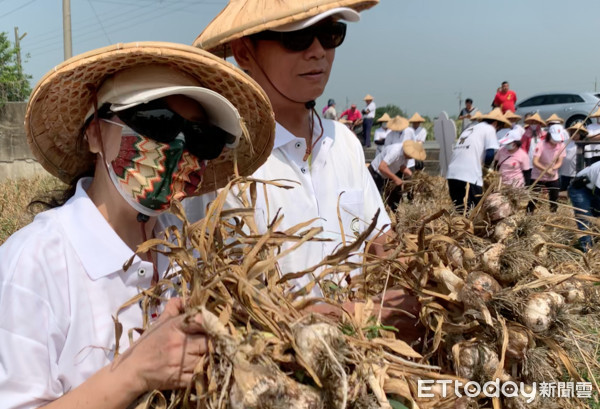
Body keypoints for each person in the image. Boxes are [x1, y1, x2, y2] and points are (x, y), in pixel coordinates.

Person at [0, 42, 275, 408]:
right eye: (158, 122)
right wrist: (136, 371)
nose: (178, 147)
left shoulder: (188, 258)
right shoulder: (35, 263)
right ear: (96, 133)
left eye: (200, 138)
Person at [191, 1, 423, 339]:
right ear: (244, 52)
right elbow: (225, 302)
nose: (317, 52)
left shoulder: (343, 142)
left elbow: (381, 238)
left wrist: (427, 276)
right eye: (297, 37)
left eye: (330, 34)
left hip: (365, 357)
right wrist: (359, 314)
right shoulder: (220, 162)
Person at [446, 109, 506, 210]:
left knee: (461, 211)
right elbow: (490, 153)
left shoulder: (469, 129)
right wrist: (486, 168)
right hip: (469, 175)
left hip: (452, 174)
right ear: (495, 123)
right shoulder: (490, 129)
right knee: (475, 211)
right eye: (498, 127)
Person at [368, 139, 426, 211]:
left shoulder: (405, 156)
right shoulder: (395, 151)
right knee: (377, 200)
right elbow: (382, 167)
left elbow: (402, 167)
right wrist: (395, 178)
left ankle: (392, 213)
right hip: (375, 174)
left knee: (393, 197)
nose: (412, 158)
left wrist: (413, 176)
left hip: (386, 175)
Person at [527, 124, 567, 213]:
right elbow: (535, 161)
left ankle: (553, 214)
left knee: (554, 198)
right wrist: (545, 170)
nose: (556, 141)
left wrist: (552, 169)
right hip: (537, 175)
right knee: (533, 198)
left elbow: (559, 162)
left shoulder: (561, 145)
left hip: (552, 176)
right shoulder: (541, 145)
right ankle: (529, 214)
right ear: (549, 135)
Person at [568, 160, 600, 251]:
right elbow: (598, 191)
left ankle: (595, 241)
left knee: (596, 217)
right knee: (584, 220)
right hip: (580, 189)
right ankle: (588, 251)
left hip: (594, 188)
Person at [520, 112, 547, 185]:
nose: (534, 124)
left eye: (536, 122)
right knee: (529, 179)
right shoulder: (525, 135)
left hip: (541, 160)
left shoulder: (544, 135)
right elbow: (523, 148)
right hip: (529, 160)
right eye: (532, 122)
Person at [560, 122, 588, 191]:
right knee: (563, 188)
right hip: (564, 171)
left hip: (576, 171)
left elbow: (587, 159)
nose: (574, 134)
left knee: (575, 189)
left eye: (577, 133)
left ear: (581, 134)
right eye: (573, 132)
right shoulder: (565, 142)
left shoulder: (584, 144)